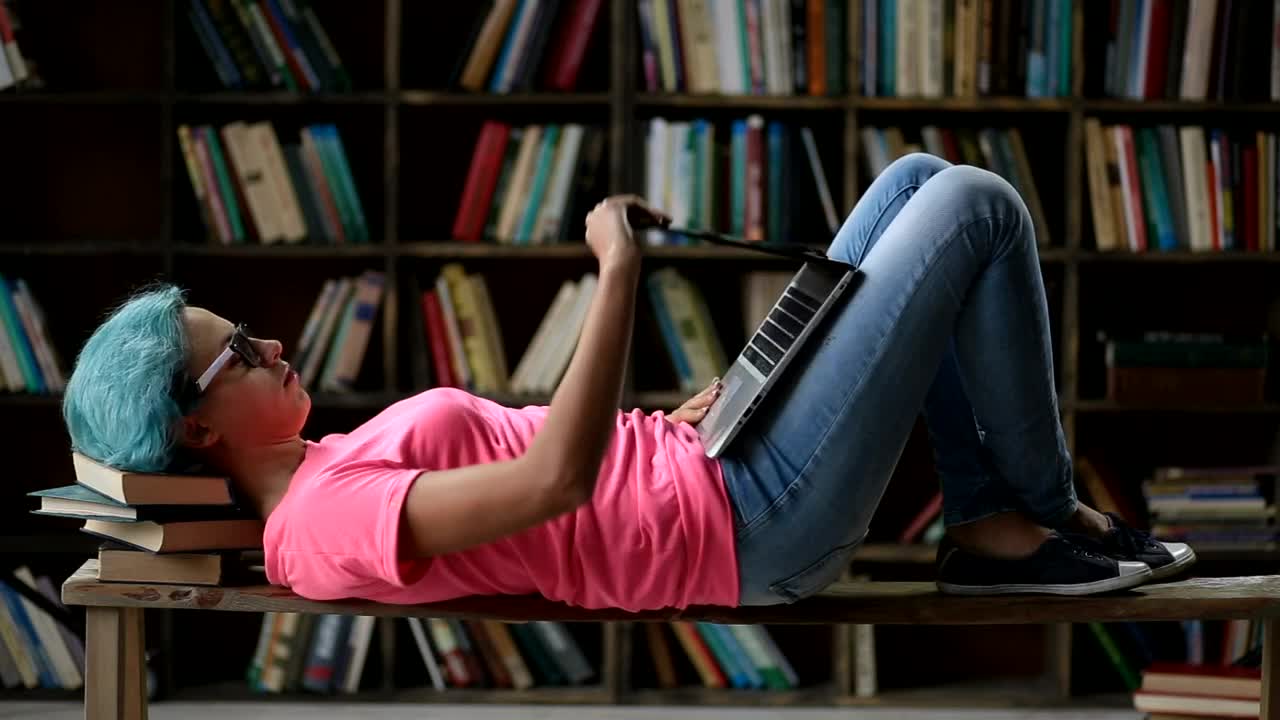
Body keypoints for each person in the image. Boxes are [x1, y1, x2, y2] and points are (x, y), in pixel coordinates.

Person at [61, 153, 1194, 612]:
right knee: (974, 208)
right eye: (235, 353)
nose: (268, 344)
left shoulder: (328, 458)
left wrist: (672, 417)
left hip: (711, 461)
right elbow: (554, 486)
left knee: (908, 184)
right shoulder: (316, 522)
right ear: (198, 431)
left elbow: (554, 449)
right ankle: (1034, 517)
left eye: (249, 329)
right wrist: (615, 274)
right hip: (748, 527)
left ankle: (994, 519)